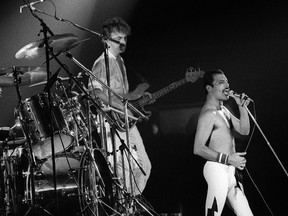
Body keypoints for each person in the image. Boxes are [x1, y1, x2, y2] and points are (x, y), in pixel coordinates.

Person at [87, 17, 152, 196]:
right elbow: (95, 93)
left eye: (125, 38)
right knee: (124, 170)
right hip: (112, 123)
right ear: (106, 38)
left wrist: (137, 99)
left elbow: (122, 94)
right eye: (119, 38)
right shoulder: (102, 63)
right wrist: (121, 106)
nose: (123, 42)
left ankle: (130, 203)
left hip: (127, 121)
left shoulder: (120, 61)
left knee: (144, 166)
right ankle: (125, 206)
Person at [193, 70, 253, 216]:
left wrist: (241, 107)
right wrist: (229, 159)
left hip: (230, 172)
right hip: (217, 169)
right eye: (221, 82)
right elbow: (198, 148)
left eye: (227, 82)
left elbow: (244, 130)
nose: (227, 86)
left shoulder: (224, 110)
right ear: (209, 88)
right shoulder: (208, 114)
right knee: (213, 213)